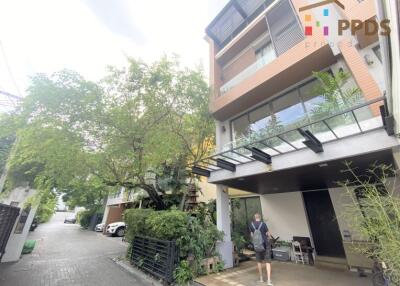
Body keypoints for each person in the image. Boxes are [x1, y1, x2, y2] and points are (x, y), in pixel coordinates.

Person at [250, 213, 273, 285]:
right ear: (260, 217)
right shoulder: (263, 224)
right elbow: (268, 234)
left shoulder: (251, 225)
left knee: (259, 262)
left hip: (257, 246)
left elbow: (251, 235)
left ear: (254, 217)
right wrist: (269, 237)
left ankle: (261, 279)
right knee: (267, 262)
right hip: (265, 245)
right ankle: (269, 280)